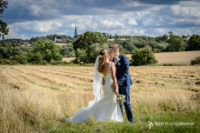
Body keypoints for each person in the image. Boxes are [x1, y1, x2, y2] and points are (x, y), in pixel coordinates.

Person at [61, 49, 123, 122]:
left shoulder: (102, 65)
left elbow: (105, 76)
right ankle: (107, 117)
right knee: (111, 100)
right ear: (106, 55)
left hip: (106, 85)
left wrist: (104, 78)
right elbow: (113, 77)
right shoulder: (111, 64)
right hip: (111, 85)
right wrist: (116, 88)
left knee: (109, 100)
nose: (109, 53)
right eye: (108, 52)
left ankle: (109, 117)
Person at [108, 44, 133, 123]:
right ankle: (120, 119)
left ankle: (130, 120)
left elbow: (126, 73)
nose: (110, 52)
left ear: (116, 50)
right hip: (117, 85)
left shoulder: (124, 58)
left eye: (111, 50)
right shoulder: (112, 60)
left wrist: (118, 83)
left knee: (126, 103)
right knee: (119, 102)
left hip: (124, 84)